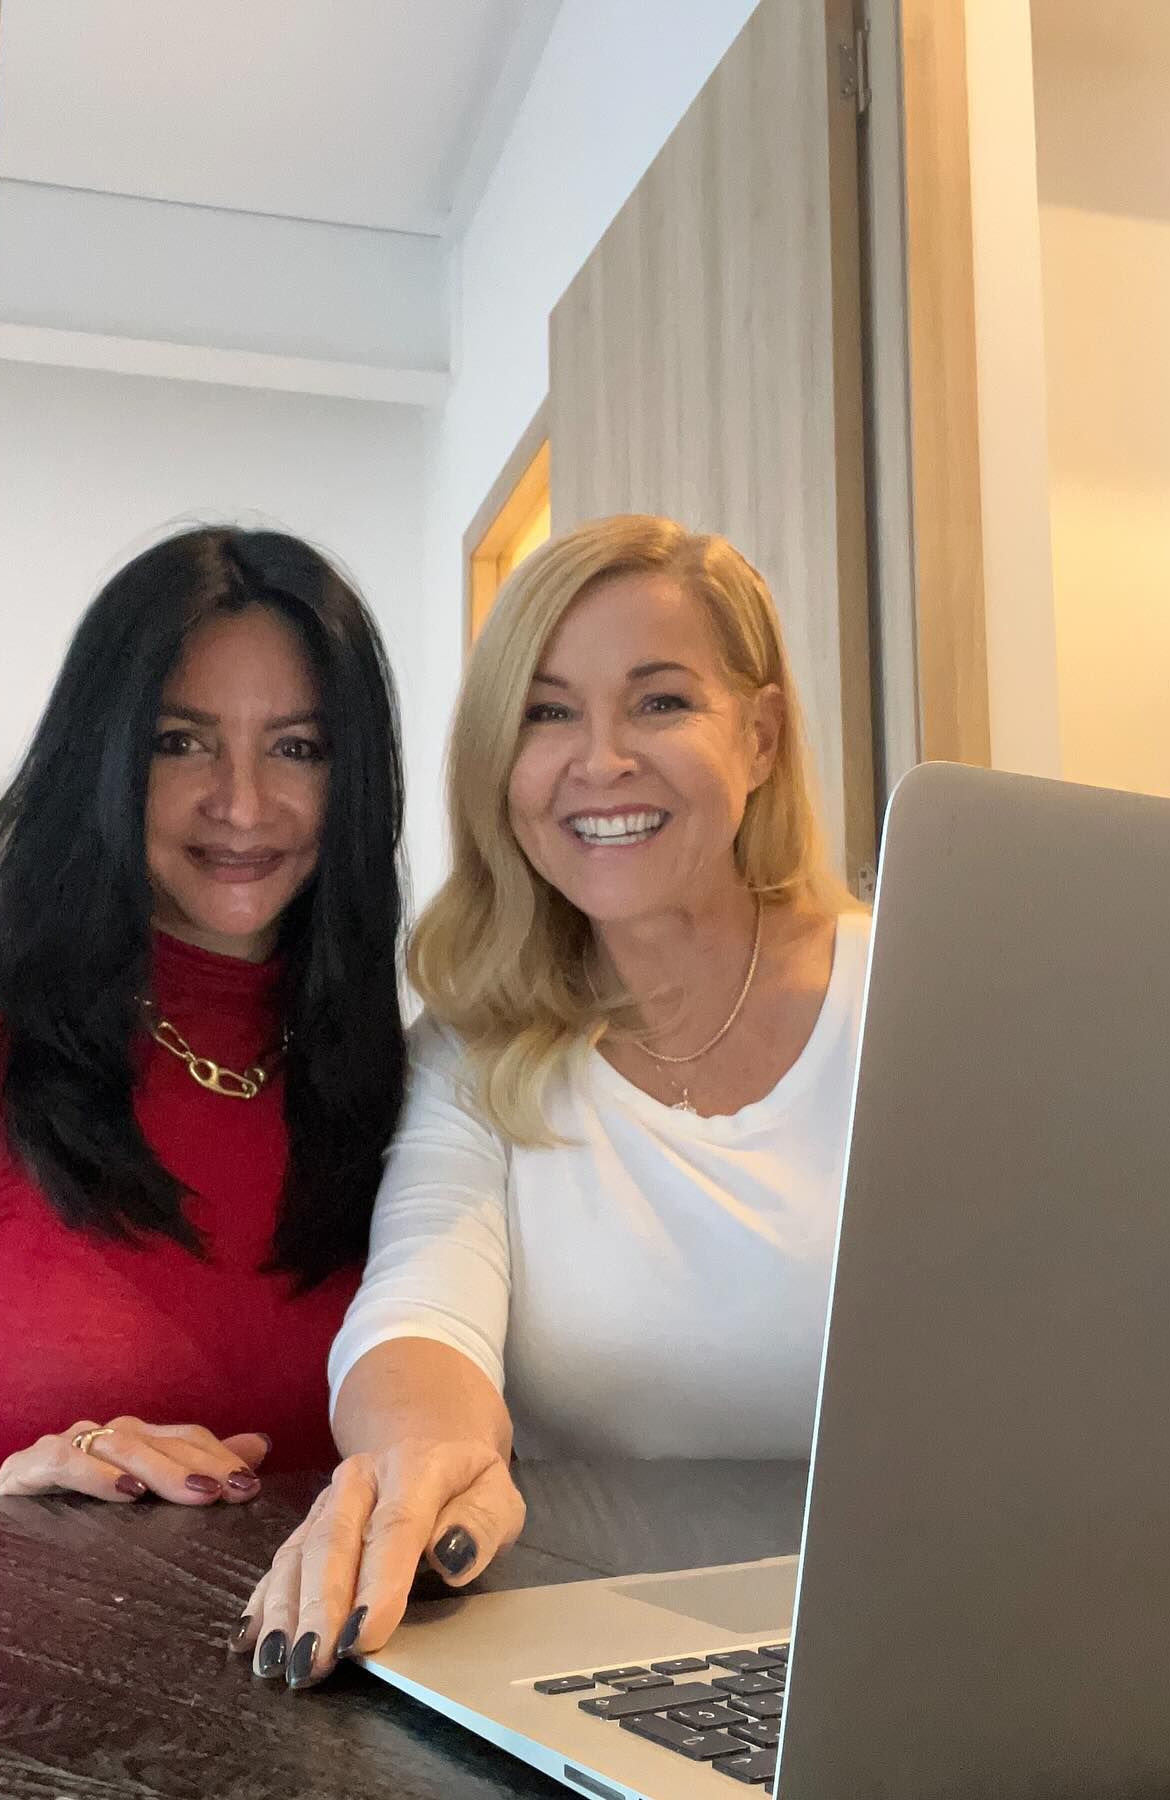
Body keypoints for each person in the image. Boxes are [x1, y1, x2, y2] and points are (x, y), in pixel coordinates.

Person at [237, 515, 870, 1691]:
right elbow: (422, 1298)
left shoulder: (915, 992)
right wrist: (419, 1461)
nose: (602, 760)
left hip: (920, 1630)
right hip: (618, 1655)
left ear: (762, 737)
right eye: (546, 712)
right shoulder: (475, 1050)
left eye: (660, 702)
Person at [0, 525, 406, 1525]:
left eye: (298, 748)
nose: (242, 805)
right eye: (179, 742)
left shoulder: (397, 1085)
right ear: (102, 758)